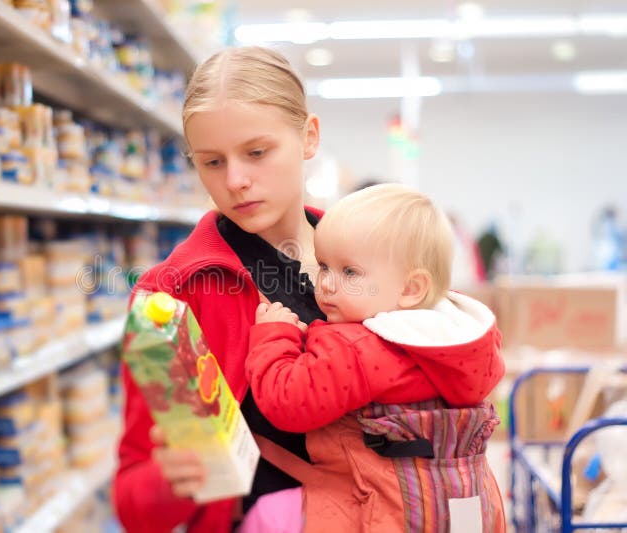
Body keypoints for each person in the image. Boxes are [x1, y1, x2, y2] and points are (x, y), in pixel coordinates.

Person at [114, 46, 324, 532]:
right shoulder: (165, 300)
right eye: (211, 162)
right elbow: (133, 506)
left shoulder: (369, 259)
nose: (235, 181)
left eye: (256, 152)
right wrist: (171, 480)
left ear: (308, 136)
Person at [246, 183, 507, 531]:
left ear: (411, 289)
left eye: (349, 272)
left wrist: (274, 334)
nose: (325, 284)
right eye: (323, 265)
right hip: (463, 506)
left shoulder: (359, 348)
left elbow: (287, 402)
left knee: (266, 515)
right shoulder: (460, 338)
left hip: (378, 512)